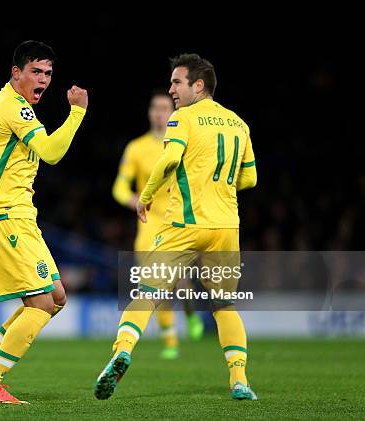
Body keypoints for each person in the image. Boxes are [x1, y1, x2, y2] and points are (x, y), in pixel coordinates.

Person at [94, 53, 258, 401]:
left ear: (198, 85)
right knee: (225, 306)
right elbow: (250, 177)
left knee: (148, 294)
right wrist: (218, 187)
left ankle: (121, 351)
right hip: (227, 226)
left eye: (177, 82)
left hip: (184, 224)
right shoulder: (240, 124)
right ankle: (240, 381)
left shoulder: (183, 118)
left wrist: (146, 195)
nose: (171, 90)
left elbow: (169, 160)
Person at [0, 40, 88, 404]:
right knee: (43, 304)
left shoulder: (15, 105)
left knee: (56, 297)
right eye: (36, 71)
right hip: (6, 216)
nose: (43, 79)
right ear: (16, 73)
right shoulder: (13, 107)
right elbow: (51, 153)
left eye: (48, 73)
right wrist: (77, 112)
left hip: (18, 216)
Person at [112, 89, 204, 359]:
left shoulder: (183, 143)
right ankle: (171, 341)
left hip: (177, 224)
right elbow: (118, 187)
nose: (160, 112)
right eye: (155, 108)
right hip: (148, 228)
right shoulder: (136, 148)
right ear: (150, 112)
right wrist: (134, 201)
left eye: (165, 107)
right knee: (156, 286)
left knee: (182, 284)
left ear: (173, 112)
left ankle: (189, 311)